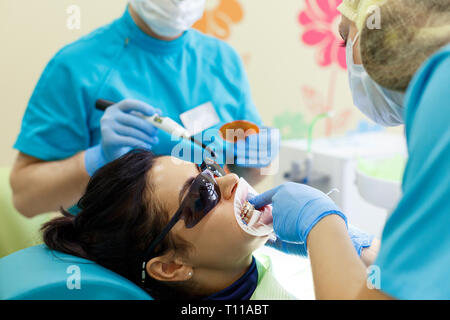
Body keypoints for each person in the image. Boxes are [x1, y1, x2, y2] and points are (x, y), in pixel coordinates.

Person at [250, 0, 450, 299]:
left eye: (346, 38)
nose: (227, 181)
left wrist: (322, 226)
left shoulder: (442, 91)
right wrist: (361, 248)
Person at [10, 0, 279, 218]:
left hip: (209, 251)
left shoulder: (223, 60)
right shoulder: (76, 67)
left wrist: (257, 163)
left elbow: (240, 177)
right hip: (115, 261)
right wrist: (96, 160)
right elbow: (25, 199)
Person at [41, 148, 378, 300]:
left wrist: (353, 250)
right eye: (202, 195)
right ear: (172, 266)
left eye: (209, 172)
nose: (230, 180)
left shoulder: (273, 262)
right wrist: (326, 229)